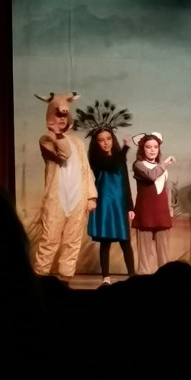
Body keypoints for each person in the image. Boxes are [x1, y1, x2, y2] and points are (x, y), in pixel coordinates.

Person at [33, 91, 97, 282]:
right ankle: (40, 279)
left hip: (78, 197)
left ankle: (65, 280)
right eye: (57, 116)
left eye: (64, 117)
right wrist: (57, 134)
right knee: (50, 239)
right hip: (57, 198)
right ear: (49, 117)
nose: (61, 120)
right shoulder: (46, 139)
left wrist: (91, 196)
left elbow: (86, 169)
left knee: (73, 240)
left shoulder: (78, 142)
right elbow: (64, 154)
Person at [73, 99, 136, 285]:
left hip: (119, 204)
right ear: (96, 143)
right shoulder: (96, 159)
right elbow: (111, 164)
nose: (106, 143)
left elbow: (125, 182)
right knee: (105, 241)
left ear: (112, 139)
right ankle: (106, 277)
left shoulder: (119, 158)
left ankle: (133, 275)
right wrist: (125, 148)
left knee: (125, 242)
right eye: (101, 140)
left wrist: (130, 206)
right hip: (105, 205)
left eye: (108, 139)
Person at [132, 132, 175, 275]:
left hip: (161, 212)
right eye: (148, 147)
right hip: (145, 212)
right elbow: (152, 176)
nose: (152, 150)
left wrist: (169, 208)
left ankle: (164, 279)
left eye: (155, 147)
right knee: (144, 255)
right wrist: (165, 163)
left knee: (164, 255)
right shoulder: (139, 165)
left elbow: (166, 189)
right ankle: (143, 279)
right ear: (142, 149)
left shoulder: (161, 166)